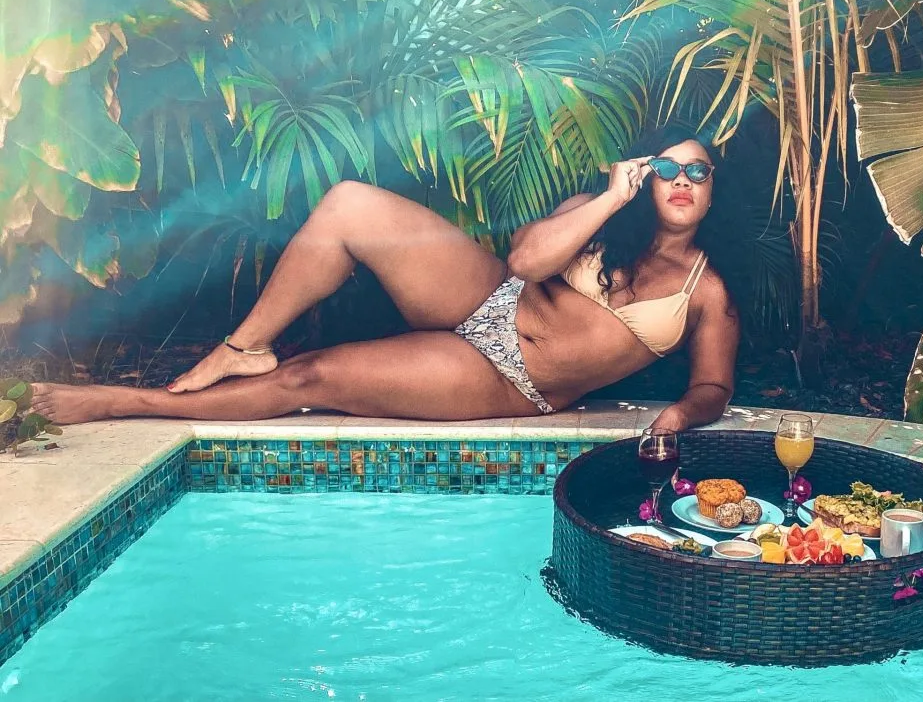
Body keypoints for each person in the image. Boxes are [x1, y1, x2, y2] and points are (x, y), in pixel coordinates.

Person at [29, 126, 741, 432]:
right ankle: (244, 343)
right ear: (646, 179)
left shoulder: (706, 292)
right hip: (490, 292)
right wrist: (611, 198)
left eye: (697, 171)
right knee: (348, 204)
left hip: (513, 379)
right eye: (667, 169)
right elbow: (524, 263)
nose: (681, 181)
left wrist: (683, 412)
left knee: (310, 380)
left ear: (713, 191)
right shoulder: (596, 215)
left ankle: (122, 403)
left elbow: (714, 387)